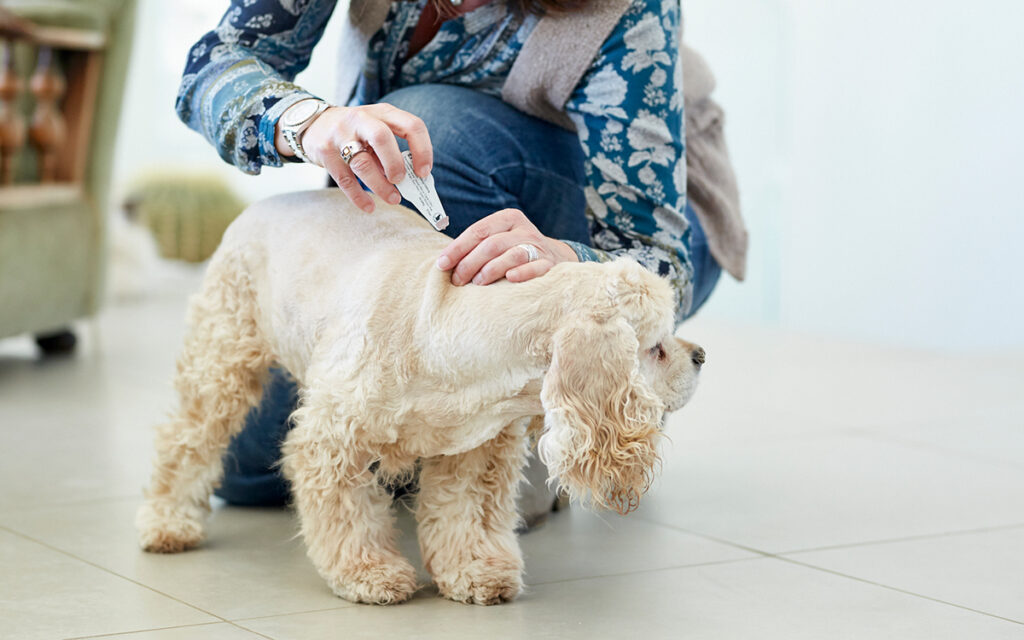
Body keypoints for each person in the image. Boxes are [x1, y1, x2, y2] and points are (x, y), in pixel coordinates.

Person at [175, 0, 746, 523]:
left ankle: (582, 394)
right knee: (252, 467)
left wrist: (563, 258)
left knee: (431, 129)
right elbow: (212, 66)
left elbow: (659, 255)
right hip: (416, 231)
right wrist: (306, 121)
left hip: (619, 221)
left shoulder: (628, 10)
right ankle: (473, 423)